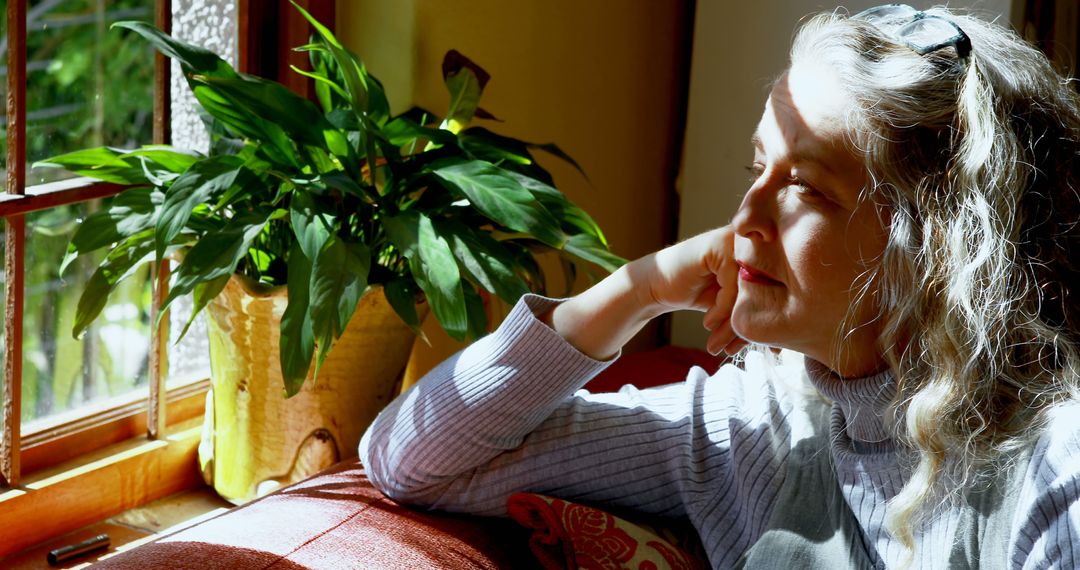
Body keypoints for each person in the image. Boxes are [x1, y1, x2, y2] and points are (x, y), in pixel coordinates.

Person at [360, 4, 1080, 568]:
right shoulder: (750, 426)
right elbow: (412, 459)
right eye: (754, 169)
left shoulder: (1056, 465)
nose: (745, 221)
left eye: (803, 188)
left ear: (937, 244)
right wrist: (630, 293)